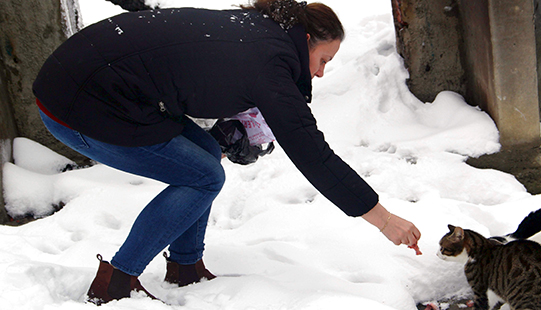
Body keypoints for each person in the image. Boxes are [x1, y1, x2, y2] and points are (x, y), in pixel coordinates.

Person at [32, 0, 421, 304]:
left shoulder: (261, 29)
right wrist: (383, 218)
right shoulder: (270, 64)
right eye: (324, 60)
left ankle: (185, 266)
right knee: (204, 176)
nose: (320, 73)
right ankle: (117, 281)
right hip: (80, 106)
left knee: (204, 150)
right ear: (305, 41)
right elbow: (313, 154)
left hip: (86, 79)